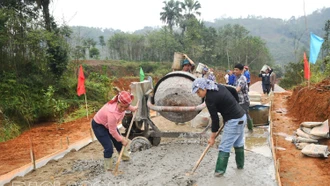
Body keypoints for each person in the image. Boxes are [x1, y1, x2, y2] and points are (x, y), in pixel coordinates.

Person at [192, 78, 247, 176]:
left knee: (224, 146)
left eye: (198, 91)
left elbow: (215, 120)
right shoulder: (218, 86)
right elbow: (233, 91)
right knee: (238, 143)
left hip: (234, 120)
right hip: (242, 116)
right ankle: (240, 166)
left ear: (203, 88)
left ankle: (219, 172)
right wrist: (234, 105)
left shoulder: (209, 99)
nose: (198, 94)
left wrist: (212, 137)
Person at [91, 91, 138, 171]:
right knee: (109, 147)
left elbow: (127, 105)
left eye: (125, 107)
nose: (123, 109)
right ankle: (108, 168)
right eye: (121, 106)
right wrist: (122, 139)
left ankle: (126, 158)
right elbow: (112, 131)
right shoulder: (112, 113)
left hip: (108, 124)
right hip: (99, 125)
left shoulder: (123, 104)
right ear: (117, 102)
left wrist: (133, 109)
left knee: (118, 142)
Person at [234, 64, 253, 131]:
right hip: (239, 100)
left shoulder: (242, 78)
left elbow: (237, 89)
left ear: (241, 71)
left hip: (244, 101)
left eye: (237, 70)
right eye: (234, 69)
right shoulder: (237, 78)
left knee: (246, 115)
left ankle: (250, 128)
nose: (235, 71)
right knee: (241, 115)